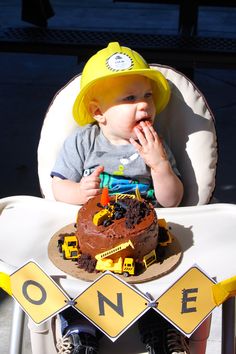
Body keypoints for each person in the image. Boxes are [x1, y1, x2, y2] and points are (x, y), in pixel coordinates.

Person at [52, 42, 188, 354]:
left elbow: (172, 200)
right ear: (99, 112)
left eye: (148, 96)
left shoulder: (156, 146)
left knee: (165, 280)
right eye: (130, 98)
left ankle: (162, 333)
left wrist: (159, 165)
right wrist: (78, 192)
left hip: (147, 243)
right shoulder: (83, 142)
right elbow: (58, 186)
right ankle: (79, 334)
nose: (144, 105)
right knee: (74, 283)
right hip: (94, 243)